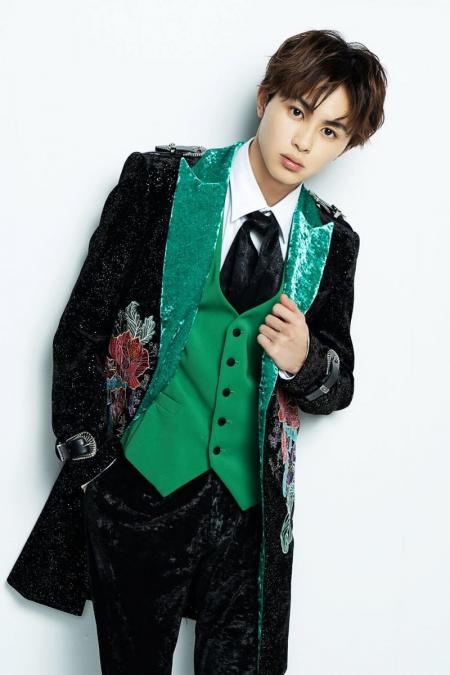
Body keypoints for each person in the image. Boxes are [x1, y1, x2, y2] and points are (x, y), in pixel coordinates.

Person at [7, 28, 387, 675]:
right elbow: (81, 327)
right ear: (265, 99)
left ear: (347, 144)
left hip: (249, 512)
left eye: (329, 130)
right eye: (297, 111)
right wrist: (91, 461)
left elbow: (339, 384)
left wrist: (305, 360)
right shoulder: (161, 185)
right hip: (141, 486)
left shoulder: (332, 241)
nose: (303, 141)